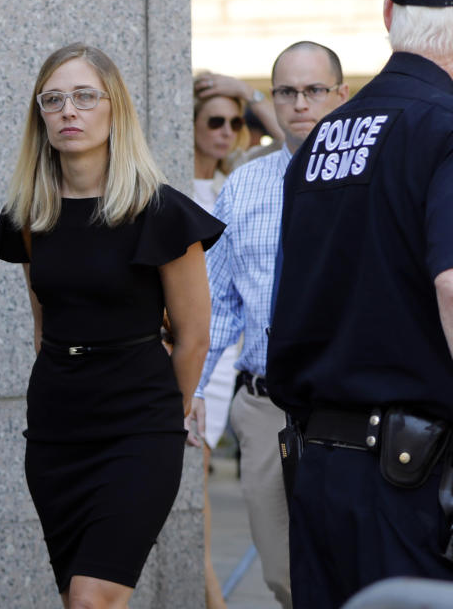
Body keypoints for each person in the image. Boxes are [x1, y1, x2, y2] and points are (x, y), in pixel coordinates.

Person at [0, 43, 224, 609]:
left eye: (85, 96)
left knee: (95, 596)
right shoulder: (30, 215)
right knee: (77, 597)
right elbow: (45, 327)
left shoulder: (161, 210)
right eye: (54, 100)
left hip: (139, 425)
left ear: (114, 107)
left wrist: (169, 416)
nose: (69, 110)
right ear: (40, 117)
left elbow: (193, 337)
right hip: (57, 429)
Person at [267, 0, 453, 607]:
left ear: (387, 13)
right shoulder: (445, 127)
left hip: (322, 468)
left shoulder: (322, 138)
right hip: (416, 483)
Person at [189, 41, 349, 609]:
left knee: (351, 563)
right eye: (287, 91)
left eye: (313, 91)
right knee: (281, 571)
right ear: (274, 100)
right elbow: (217, 302)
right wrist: (190, 390)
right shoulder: (245, 187)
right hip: (264, 406)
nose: (300, 104)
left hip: (350, 405)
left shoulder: (371, 182)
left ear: (340, 95)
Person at [190, 79, 249, 609]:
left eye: (236, 122)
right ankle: (213, 598)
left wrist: (241, 91)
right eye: (215, 121)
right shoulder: (179, 188)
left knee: (200, 474)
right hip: (189, 348)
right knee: (197, 480)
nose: (228, 132)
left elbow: (298, 143)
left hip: (227, 353)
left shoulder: (237, 184)